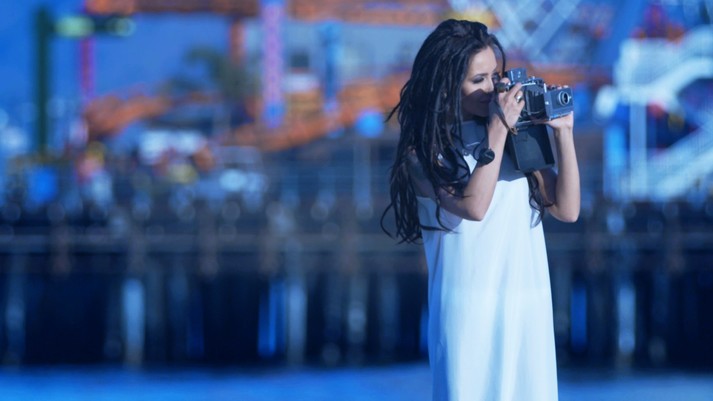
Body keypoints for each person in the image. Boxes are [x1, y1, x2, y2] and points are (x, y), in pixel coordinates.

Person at [382, 19, 580, 400]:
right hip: (469, 316)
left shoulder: (511, 134)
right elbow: (474, 206)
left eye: (494, 76)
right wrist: (498, 129)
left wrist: (563, 133)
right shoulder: (423, 154)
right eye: (478, 80)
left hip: (526, 308)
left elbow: (567, 208)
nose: (492, 89)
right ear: (447, 86)